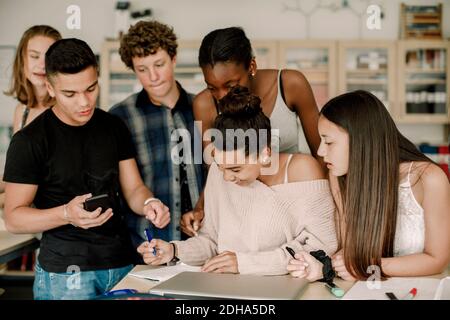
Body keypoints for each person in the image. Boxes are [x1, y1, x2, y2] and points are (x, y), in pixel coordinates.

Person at [3, 38, 170, 300]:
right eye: (70, 94)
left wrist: (149, 202)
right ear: (50, 87)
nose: (84, 102)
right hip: (65, 275)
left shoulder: (113, 126)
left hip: (122, 265)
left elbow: (134, 188)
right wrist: (67, 214)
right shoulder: (29, 141)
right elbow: (14, 218)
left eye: (91, 89)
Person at [137, 86, 337, 275]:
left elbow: (321, 245)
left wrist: (243, 263)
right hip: (228, 285)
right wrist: (174, 250)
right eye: (220, 166)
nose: (226, 177)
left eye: (235, 168)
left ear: (265, 153)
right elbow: (212, 241)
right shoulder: (220, 171)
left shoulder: (302, 169)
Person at [287, 90, 450, 281]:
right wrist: (322, 267)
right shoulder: (338, 176)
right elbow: (349, 252)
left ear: (361, 140)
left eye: (329, 142)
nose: (321, 151)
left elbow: (438, 260)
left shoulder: (428, 178)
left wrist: (369, 266)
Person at [181, 26, 324, 237]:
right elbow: (217, 169)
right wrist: (201, 208)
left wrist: (331, 207)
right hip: (245, 213)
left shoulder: (290, 84)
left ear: (252, 65)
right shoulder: (204, 103)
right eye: (212, 87)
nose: (221, 96)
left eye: (230, 85)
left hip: (294, 201)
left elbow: (322, 154)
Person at [110, 20, 204, 250]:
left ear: (173, 58)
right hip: (147, 243)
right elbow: (130, 188)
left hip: (205, 241)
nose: (153, 76)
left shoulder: (203, 107)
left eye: (159, 64)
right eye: (142, 69)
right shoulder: (120, 117)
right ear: (133, 69)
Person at [0, 25, 61, 209]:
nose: (42, 64)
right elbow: (19, 173)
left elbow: (43, 184)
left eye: (48, 57)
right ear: (22, 60)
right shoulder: (22, 111)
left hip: (51, 216)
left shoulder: (63, 110)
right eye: (34, 56)